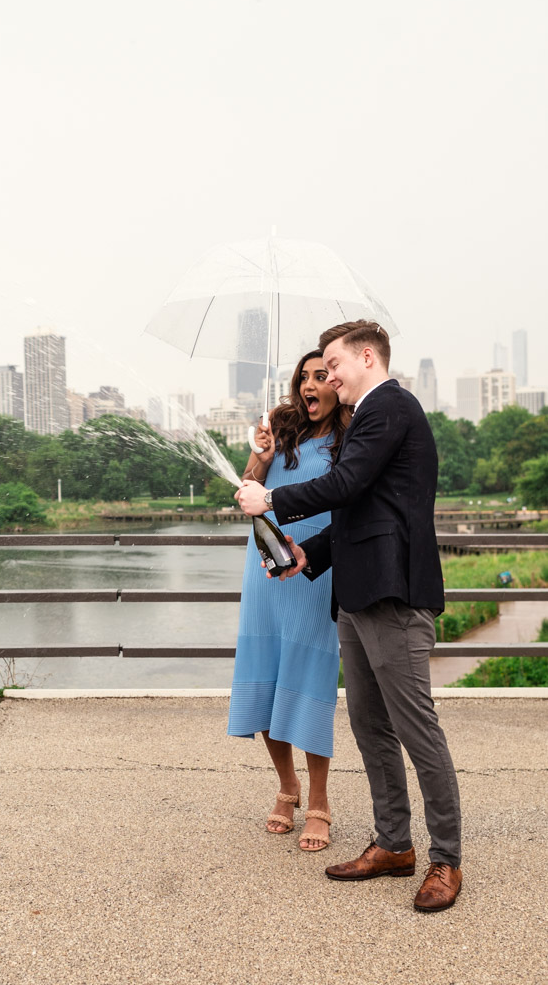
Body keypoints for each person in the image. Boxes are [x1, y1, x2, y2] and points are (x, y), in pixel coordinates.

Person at [236, 320, 463, 913]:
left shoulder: (390, 407)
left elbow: (347, 482)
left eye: (333, 363)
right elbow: (360, 508)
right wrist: (312, 555)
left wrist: (272, 499)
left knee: (418, 731)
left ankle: (446, 859)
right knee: (370, 727)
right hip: (357, 594)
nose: (328, 375)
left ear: (367, 356)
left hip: (394, 594)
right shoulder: (368, 416)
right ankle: (393, 843)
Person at [228, 350, 350, 851]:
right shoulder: (279, 428)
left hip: (317, 570)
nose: (309, 385)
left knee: (309, 680)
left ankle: (318, 801)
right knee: (267, 677)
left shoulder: (351, 435)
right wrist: (260, 453)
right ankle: (287, 786)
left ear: (337, 383)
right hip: (265, 568)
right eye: (303, 376)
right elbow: (246, 495)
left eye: (321, 376)